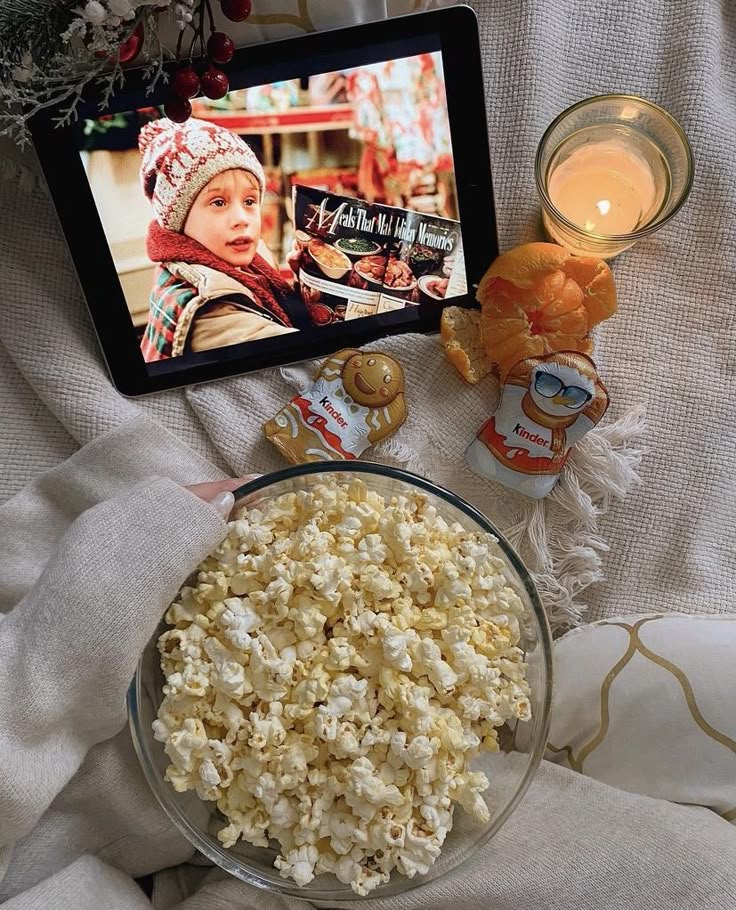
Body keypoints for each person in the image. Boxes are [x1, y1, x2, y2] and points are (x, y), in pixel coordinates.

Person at [138, 118, 307, 362]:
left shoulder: (245, 263)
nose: (241, 219)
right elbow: (308, 361)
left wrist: (310, 285)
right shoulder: (209, 309)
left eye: (250, 201)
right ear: (178, 219)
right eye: (219, 202)